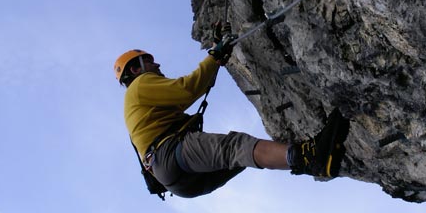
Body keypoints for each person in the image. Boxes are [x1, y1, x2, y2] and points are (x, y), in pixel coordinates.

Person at [114, 37, 349, 198]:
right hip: (172, 156)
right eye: (150, 61)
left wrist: (216, 61)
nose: (157, 64)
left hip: (175, 180)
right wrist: (213, 56)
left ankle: (302, 158)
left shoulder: (137, 105)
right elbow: (186, 90)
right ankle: (311, 157)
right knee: (236, 147)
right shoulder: (141, 85)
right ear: (136, 69)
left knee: (240, 157)